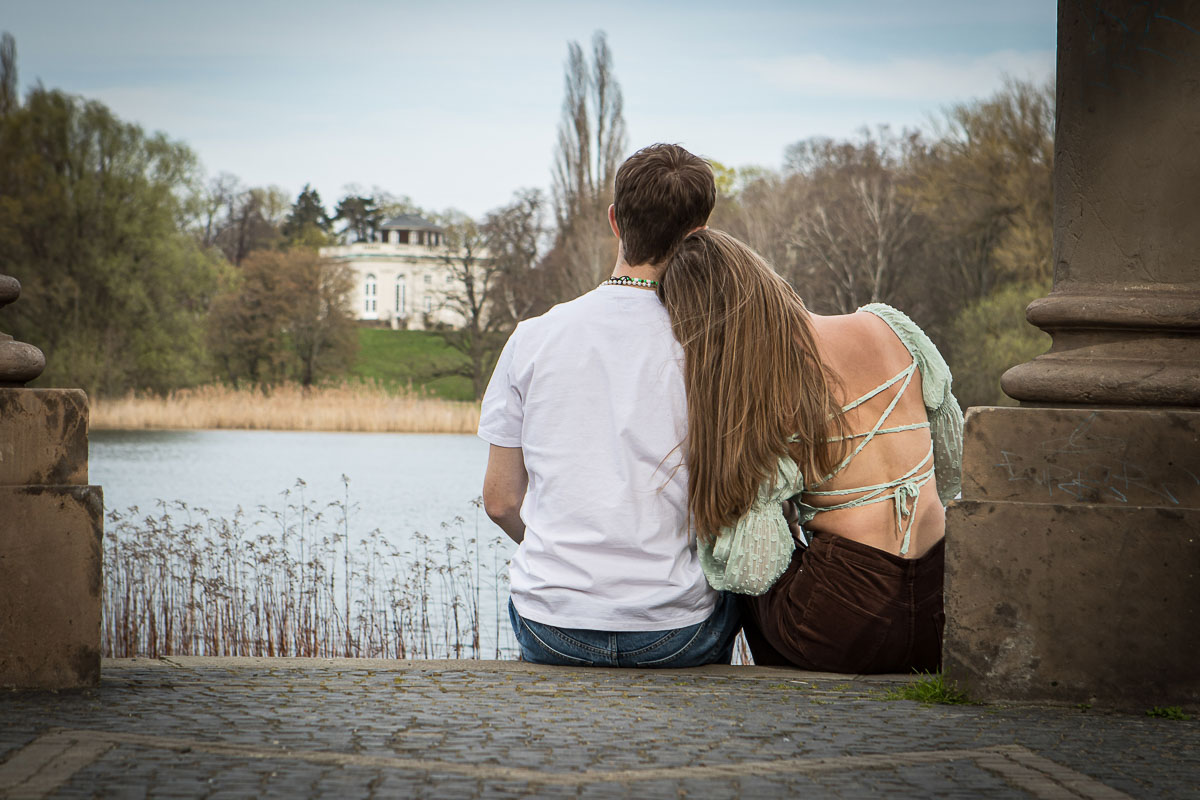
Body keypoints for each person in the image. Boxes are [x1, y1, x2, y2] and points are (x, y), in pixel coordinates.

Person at [478, 144, 741, 667]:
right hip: (674, 633)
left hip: (550, 627)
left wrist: (568, 567)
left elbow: (500, 502)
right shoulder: (714, 347)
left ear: (615, 221)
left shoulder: (531, 338)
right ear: (701, 235)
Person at [657, 229, 963, 674]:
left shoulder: (765, 384)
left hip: (842, 624)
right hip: (942, 603)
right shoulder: (887, 325)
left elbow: (755, 566)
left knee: (732, 564)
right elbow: (952, 460)